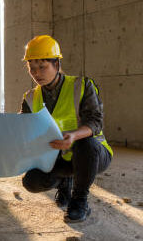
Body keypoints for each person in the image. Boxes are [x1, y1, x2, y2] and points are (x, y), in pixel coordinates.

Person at [19, 35, 113, 222]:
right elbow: (24, 129)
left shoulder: (82, 86)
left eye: (42, 66)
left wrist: (73, 136)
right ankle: (64, 181)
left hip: (91, 154)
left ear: (57, 64)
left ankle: (79, 201)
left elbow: (95, 122)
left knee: (85, 142)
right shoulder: (30, 97)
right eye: (32, 68)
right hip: (57, 157)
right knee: (31, 182)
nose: (37, 73)